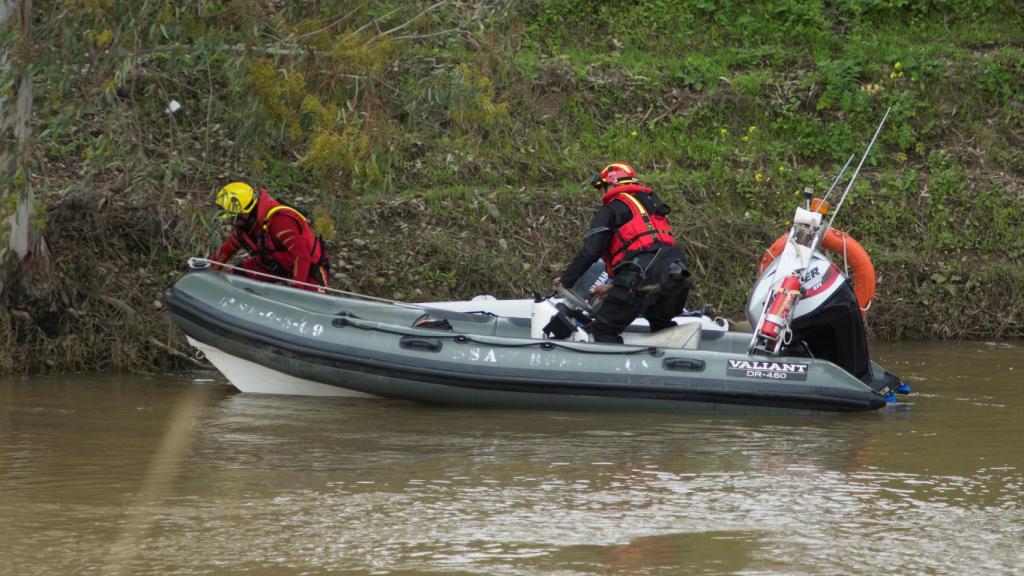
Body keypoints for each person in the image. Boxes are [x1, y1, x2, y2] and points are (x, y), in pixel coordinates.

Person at [555, 163, 691, 343]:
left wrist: (566, 281)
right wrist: (613, 287)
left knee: (603, 330)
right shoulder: (651, 208)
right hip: (678, 276)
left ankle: (615, 370)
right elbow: (653, 258)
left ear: (610, 185)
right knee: (660, 324)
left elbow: (591, 251)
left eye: (601, 189)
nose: (601, 195)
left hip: (643, 275)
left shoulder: (611, 209)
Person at [210, 181, 329, 291]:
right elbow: (226, 251)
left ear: (245, 212)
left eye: (232, 216)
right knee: (231, 279)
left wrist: (295, 289)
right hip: (273, 265)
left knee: (316, 305)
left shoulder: (280, 222)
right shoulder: (244, 228)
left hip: (308, 268)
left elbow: (302, 257)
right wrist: (205, 273)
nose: (230, 222)